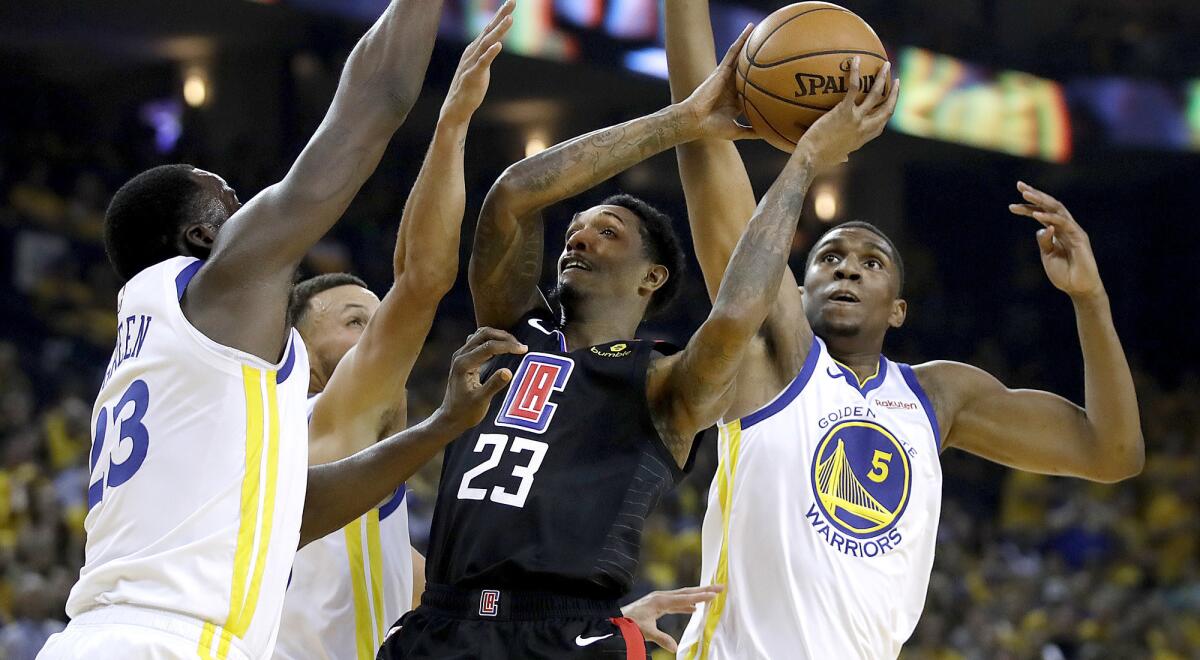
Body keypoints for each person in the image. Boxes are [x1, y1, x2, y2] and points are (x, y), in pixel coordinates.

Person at [379, 26, 898, 659]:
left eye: (607, 231)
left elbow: (735, 314)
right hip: (440, 623)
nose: (578, 238)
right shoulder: (515, 329)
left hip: (567, 633)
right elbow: (512, 198)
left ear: (652, 277)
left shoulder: (660, 381)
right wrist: (683, 119)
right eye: (575, 228)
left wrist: (806, 162)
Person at [39, 2, 525, 658]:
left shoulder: (160, 348)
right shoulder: (214, 289)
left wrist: (440, 427)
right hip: (168, 641)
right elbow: (371, 103)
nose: (253, 215)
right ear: (204, 236)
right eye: (234, 204)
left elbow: (288, 514)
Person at [662, 2, 1145, 658]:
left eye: (871, 261)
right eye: (828, 258)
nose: (847, 269)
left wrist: (1090, 299)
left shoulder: (937, 397)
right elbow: (707, 159)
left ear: (898, 308)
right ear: (796, 290)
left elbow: (1111, 453)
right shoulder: (771, 357)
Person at [272, 8, 513, 659]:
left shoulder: (387, 535)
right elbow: (423, 279)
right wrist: (452, 126)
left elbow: (470, 619)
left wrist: (606, 617)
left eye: (375, 319)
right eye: (355, 322)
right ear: (302, 353)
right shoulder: (320, 419)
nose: (380, 333)